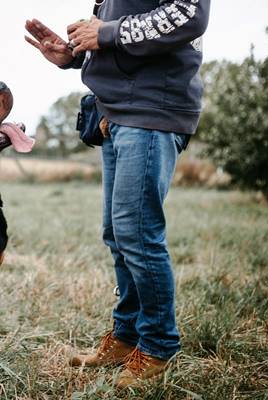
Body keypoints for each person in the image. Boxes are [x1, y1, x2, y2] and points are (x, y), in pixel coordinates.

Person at [25, 0, 210, 388]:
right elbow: (124, 37)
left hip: (151, 111)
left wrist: (104, 33)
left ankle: (159, 345)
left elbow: (188, 15)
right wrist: (75, 55)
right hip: (118, 112)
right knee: (118, 234)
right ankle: (127, 337)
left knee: (137, 234)